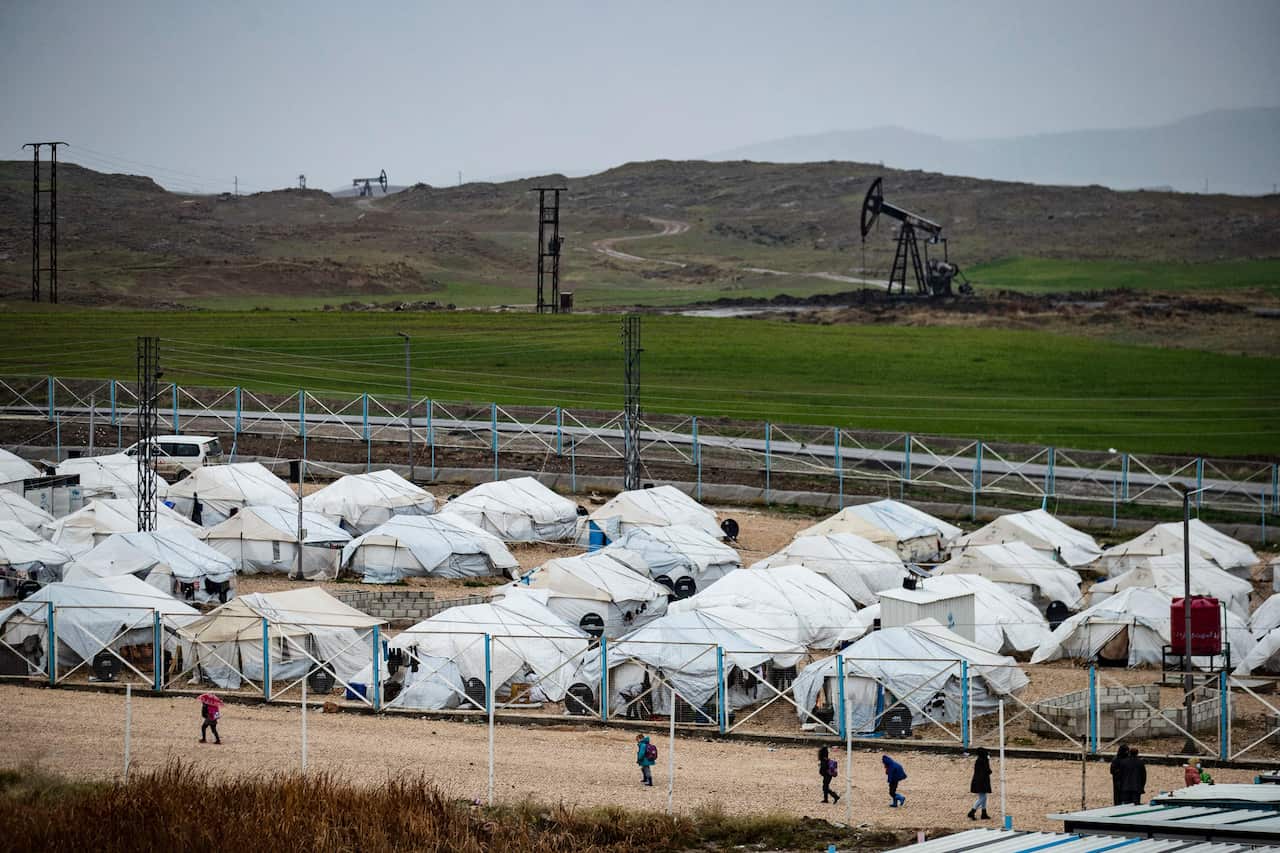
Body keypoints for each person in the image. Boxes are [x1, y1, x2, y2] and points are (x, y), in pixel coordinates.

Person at [967, 747, 992, 820]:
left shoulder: (978, 760)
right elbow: (988, 770)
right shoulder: (984, 760)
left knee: (983, 797)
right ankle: (972, 811)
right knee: (983, 797)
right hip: (982, 781)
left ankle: (984, 813)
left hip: (977, 780)